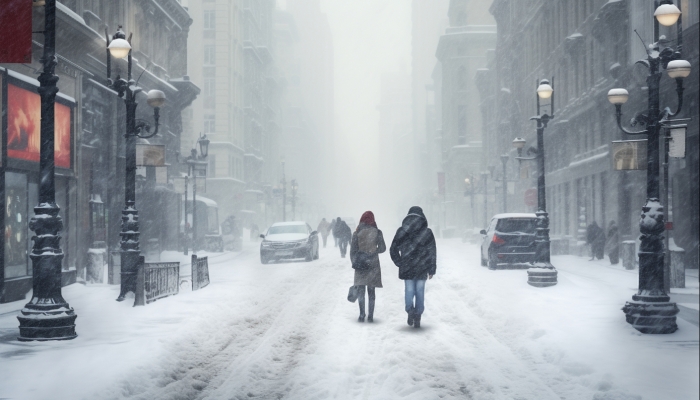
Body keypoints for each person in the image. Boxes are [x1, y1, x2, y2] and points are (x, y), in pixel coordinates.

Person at [390, 206, 437, 328]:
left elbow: (393, 248)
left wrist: (400, 262)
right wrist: (431, 268)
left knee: (409, 291)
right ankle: (418, 316)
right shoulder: (427, 232)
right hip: (422, 267)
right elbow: (432, 251)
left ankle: (410, 311)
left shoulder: (402, 231)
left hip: (407, 267)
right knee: (420, 292)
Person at [350, 211, 386, 322]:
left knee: (361, 291)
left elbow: (353, 251)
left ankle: (362, 315)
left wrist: (355, 262)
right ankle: (370, 316)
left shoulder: (356, 233)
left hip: (360, 264)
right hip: (373, 264)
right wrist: (373, 251)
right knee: (371, 291)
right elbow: (383, 248)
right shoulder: (377, 232)